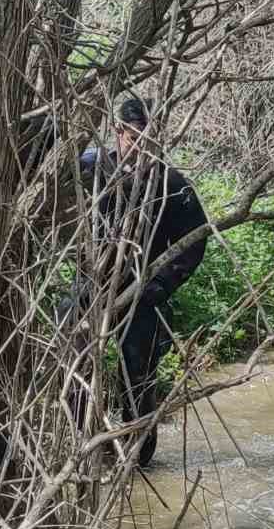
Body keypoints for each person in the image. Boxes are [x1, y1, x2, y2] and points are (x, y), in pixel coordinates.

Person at [59, 97, 208, 466]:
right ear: (118, 131)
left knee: (137, 375)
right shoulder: (90, 168)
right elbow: (54, 204)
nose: (138, 143)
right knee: (73, 361)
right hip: (91, 286)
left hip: (143, 291)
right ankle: (91, 443)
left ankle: (138, 457)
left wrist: (160, 285)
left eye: (147, 135)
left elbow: (195, 240)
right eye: (132, 134)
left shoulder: (171, 183)